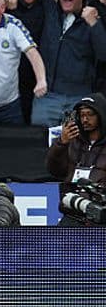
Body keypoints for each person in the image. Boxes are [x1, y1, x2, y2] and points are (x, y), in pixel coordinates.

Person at [47, 94, 106, 226]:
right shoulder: (72, 142)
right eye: (82, 115)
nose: (85, 119)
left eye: (90, 114)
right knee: (56, 245)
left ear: (101, 116)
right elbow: (55, 171)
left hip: (101, 217)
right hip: (73, 213)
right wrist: (61, 143)